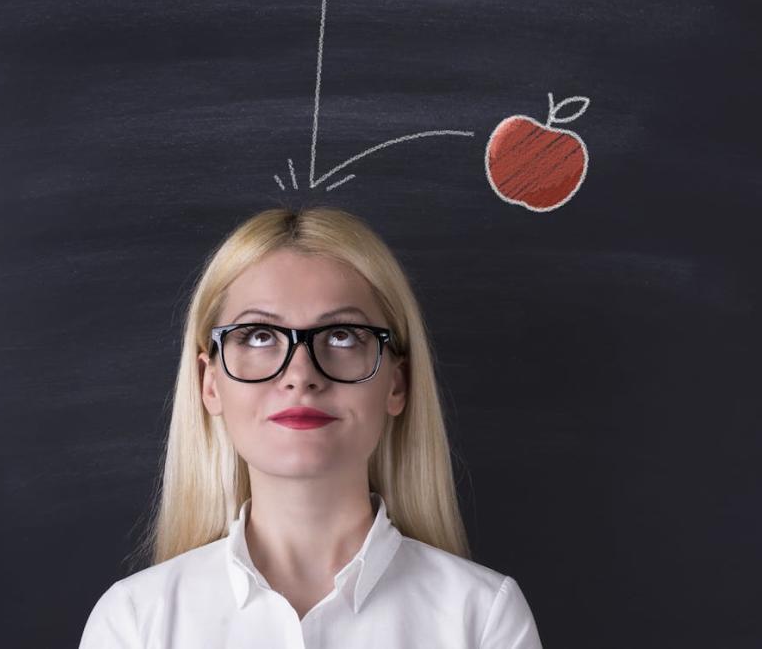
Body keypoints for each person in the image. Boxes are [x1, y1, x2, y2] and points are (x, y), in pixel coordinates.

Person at [78, 206, 543, 648]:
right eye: (259, 335)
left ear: (396, 383)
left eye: (342, 335)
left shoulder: (482, 618)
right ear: (210, 383)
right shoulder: (136, 621)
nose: (301, 374)